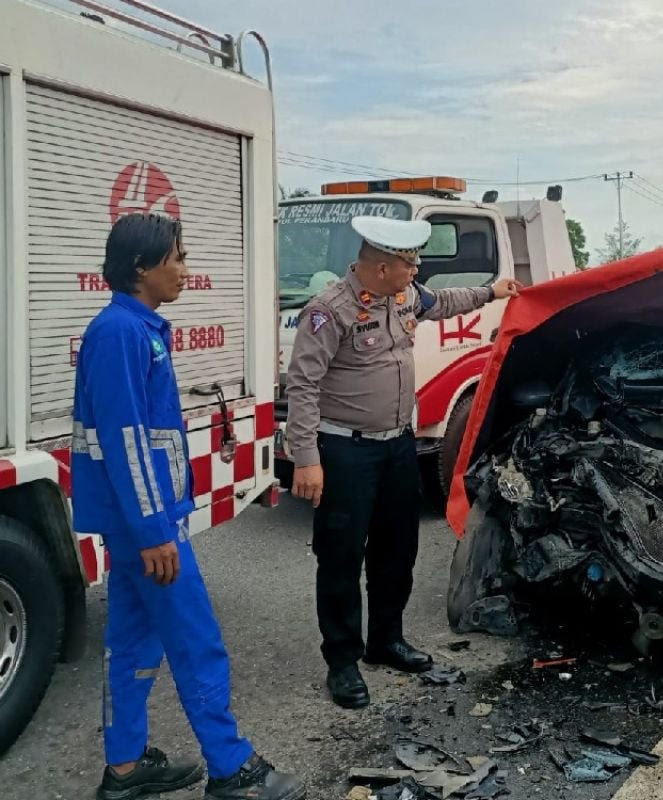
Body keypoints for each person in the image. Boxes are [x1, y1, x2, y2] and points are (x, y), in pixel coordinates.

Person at [73, 213, 305, 800]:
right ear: (140, 267)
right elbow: (127, 441)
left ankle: (124, 767)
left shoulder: (138, 328)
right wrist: (155, 531)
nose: (184, 268)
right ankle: (231, 767)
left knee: (132, 641)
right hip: (144, 528)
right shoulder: (120, 333)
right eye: (176, 257)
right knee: (195, 638)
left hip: (140, 523)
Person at [286, 215, 522, 709]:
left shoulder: (405, 295)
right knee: (342, 557)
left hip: (398, 447)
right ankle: (344, 661)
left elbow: (445, 302)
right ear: (379, 267)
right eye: (409, 263)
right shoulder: (330, 312)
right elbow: (303, 386)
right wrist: (306, 459)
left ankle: (385, 641)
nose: (416, 271)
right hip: (345, 450)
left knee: (398, 550)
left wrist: (494, 292)